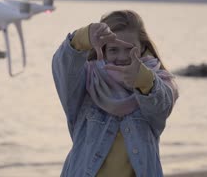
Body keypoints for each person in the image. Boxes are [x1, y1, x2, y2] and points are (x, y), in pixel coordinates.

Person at [52, 10, 179, 177]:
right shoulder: (87, 82)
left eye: (129, 49)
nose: (122, 57)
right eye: (113, 50)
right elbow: (63, 66)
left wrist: (142, 79)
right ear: (103, 50)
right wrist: (83, 37)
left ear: (142, 47)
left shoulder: (156, 83)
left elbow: (162, 105)